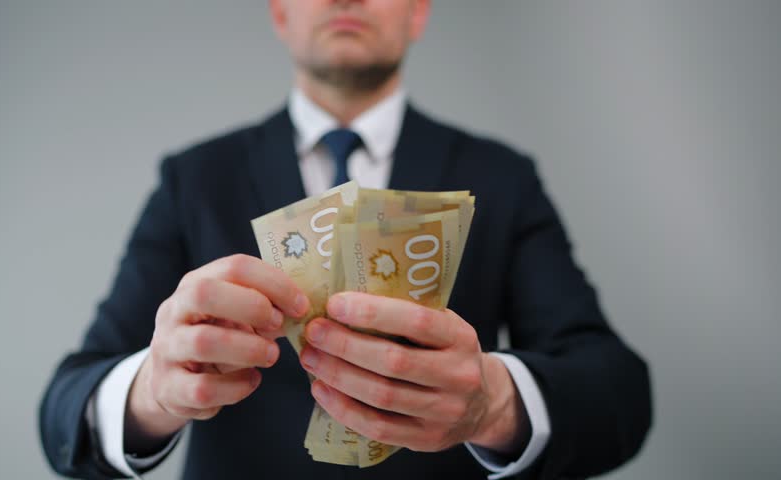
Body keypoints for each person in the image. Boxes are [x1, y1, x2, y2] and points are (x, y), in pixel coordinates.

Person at [39, 1, 652, 479]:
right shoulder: (195, 178)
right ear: (281, 12)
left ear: (417, 11)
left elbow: (617, 390)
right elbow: (65, 406)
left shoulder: (501, 177)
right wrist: (152, 389)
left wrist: (492, 404)